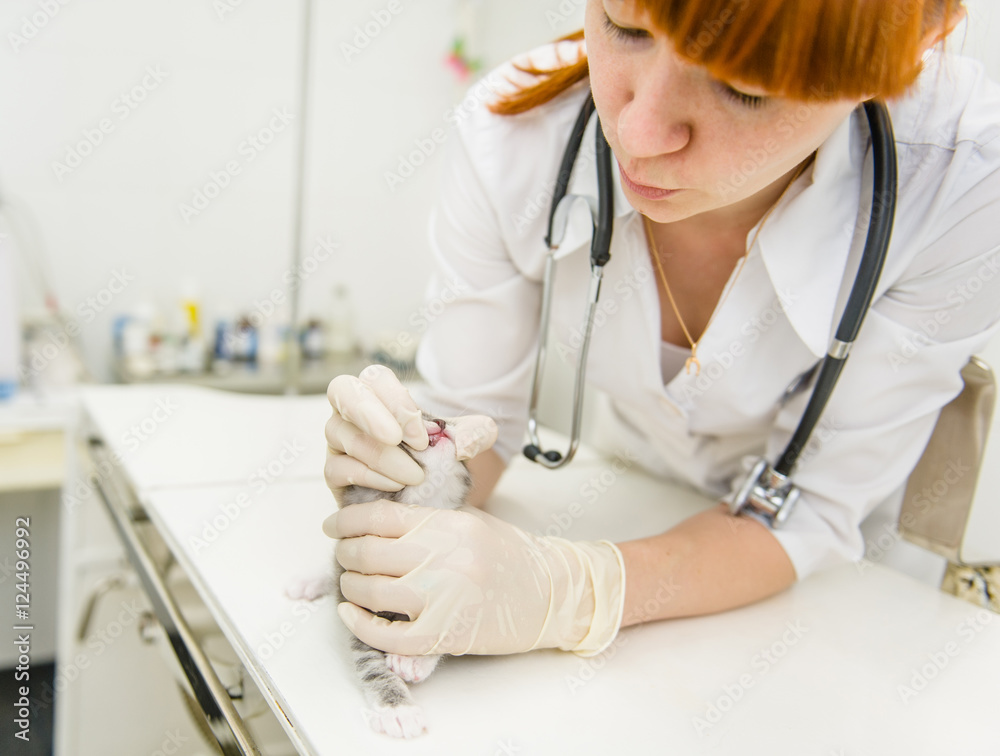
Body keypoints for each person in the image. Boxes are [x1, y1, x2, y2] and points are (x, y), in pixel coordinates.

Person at [323, 0, 1000, 658]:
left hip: (838, 606)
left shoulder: (965, 177)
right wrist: (413, 472)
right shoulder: (512, 135)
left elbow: (813, 510)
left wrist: (575, 592)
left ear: (918, 40)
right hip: (631, 498)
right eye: (624, 26)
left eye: (745, 87)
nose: (638, 132)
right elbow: (477, 423)